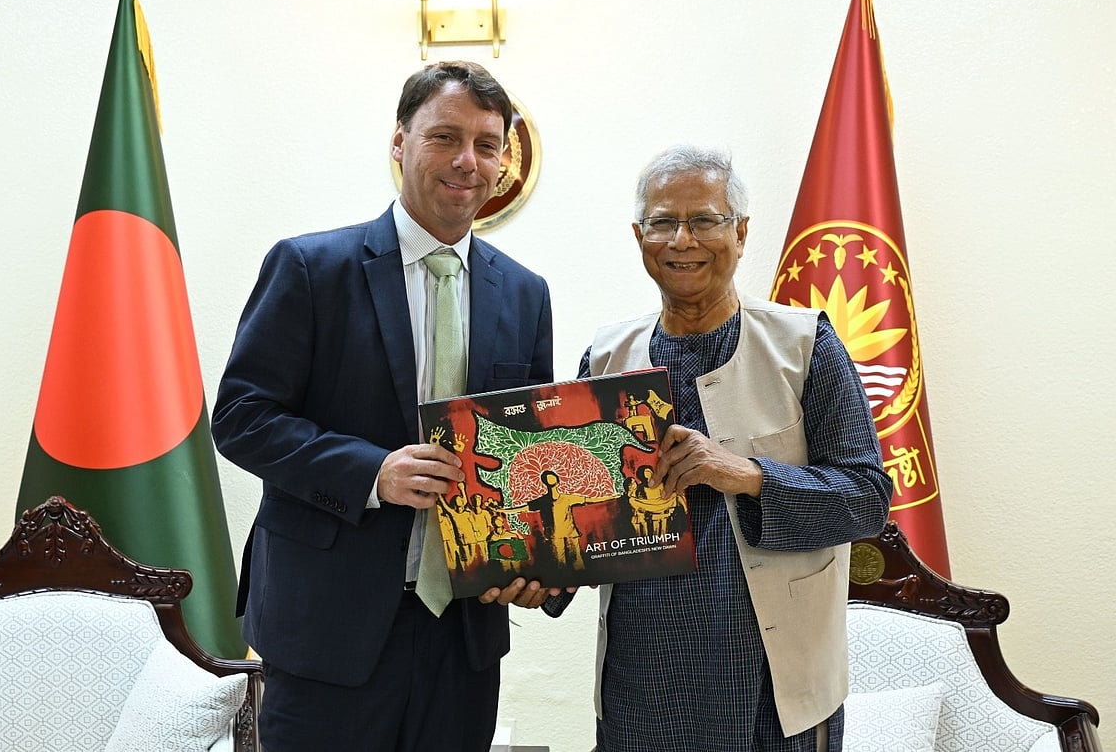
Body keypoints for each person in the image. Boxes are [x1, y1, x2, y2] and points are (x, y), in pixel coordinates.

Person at [211, 60, 555, 752]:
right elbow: (241, 417)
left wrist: (538, 566)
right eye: (445, 137)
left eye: (488, 144)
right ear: (400, 142)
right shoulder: (310, 268)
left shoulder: (525, 292)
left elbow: (530, 452)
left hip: (463, 635)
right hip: (326, 632)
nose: (467, 161)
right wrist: (373, 473)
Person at [545, 144, 892, 752]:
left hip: (772, 689)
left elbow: (866, 500)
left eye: (705, 220)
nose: (683, 240)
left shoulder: (803, 345)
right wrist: (537, 574)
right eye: (662, 222)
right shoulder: (604, 359)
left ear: (741, 232)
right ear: (638, 235)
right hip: (642, 686)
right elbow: (587, 514)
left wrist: (749, 475)